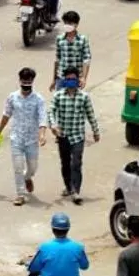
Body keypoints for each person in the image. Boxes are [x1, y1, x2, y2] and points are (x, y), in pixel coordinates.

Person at [0, 68, 49, 206]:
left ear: (32, 82)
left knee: (32, 167)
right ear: (20, 81)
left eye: (29, 82)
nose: (26, 84)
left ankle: (27, 178)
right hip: (16, 138)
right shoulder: (12, 97)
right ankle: (20, 194)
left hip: (32, 140)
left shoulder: (39, 99)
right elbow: (6, 115)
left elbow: (43, 117)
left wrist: (42, 135)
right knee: (18, 167)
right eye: (24, 81)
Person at [48, 67, 100, 204]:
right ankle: (68, 186)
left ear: (78, 80)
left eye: (73, 79)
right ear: (65, 80)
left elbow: (90, 115)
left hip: (78, 137)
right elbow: (51, 112)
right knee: (65, 163)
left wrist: (95, 131)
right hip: (63, 135)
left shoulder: (84, 97)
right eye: (68, 79)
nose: (71, 81)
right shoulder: (58, 96)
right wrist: (53, 125)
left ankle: (76, 191)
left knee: (76, 163)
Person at [53, 11, 92, 90]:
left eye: (70, 23)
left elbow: (86, 60)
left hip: (76, 79)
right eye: (66, 23)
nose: (67, 25)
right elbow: (57, 59)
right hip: (62, 78)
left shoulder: (82, 40)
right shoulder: (59, 39)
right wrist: (54, 79)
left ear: (76, 24)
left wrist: (84, 78)